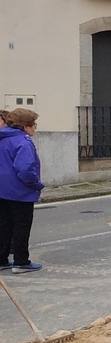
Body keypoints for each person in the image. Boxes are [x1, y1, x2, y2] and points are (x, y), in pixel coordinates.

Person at [0, 108, 45, 273]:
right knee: (21, 226)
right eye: (33, 125)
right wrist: (36, 184)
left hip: (1, 190)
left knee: (4, 226)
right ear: (25, 126)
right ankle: (21, 261)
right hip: (19, 192)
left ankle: (2, 259)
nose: (34, 128)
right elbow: (25, 169)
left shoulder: (2, 138)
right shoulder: (23, 142)